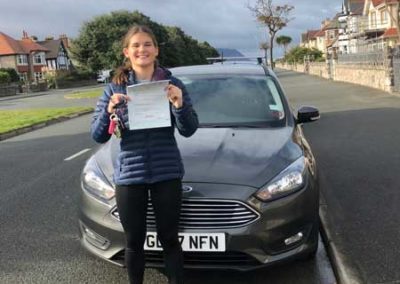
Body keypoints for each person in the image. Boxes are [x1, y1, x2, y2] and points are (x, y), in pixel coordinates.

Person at [90, 25, 199, 284]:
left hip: (167, 172)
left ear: (156, 50)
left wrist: (179, 104)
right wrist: (109, 110)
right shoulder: (113, 89)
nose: (142, 50)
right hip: (130, 175)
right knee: (134, 241)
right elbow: (98, 135)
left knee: (170, 239)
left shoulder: (173, 84)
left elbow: (189, 129)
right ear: (126, 52)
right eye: (136, 45)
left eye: (147, 44)